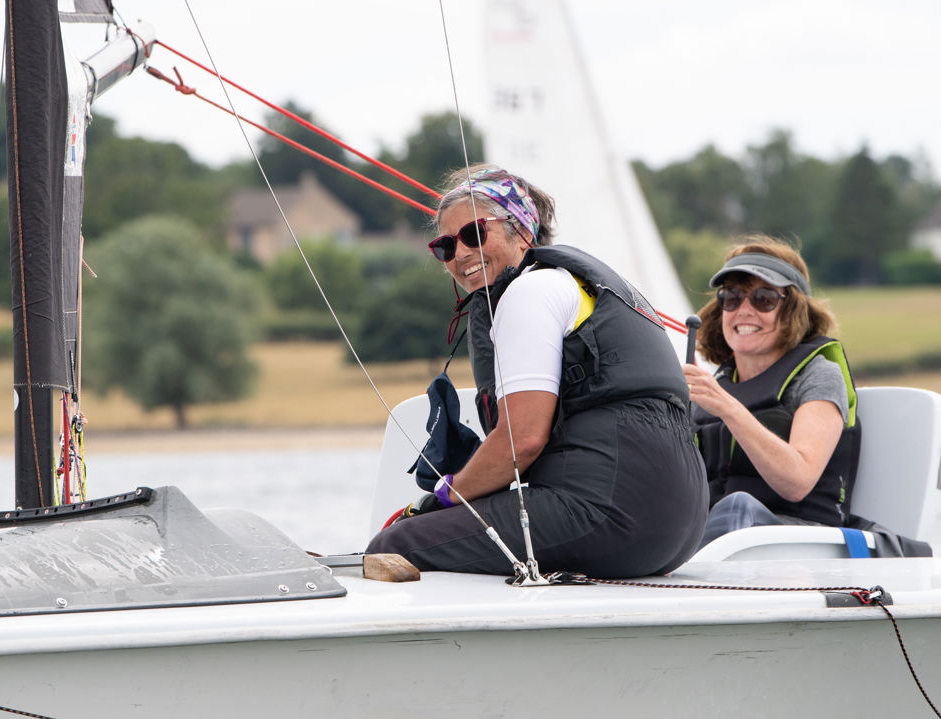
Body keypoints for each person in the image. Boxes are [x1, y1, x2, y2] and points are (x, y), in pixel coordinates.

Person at [366, 165, 707, 577]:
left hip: (610, 513)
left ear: (523, 232)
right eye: (444, 246)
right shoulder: (579, 286)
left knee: (396, 542)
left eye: (474, 233)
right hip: (680, 529)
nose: (460, 254)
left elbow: (522, 441)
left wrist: (445, 495)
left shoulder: (530, 290)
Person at [683, 235, 860, 546]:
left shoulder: (819, 375)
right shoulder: (718, 383)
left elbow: (797, 482)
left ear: (792, 310)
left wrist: (728, 407)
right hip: (720, 542)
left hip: (800, 541)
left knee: (738, 508)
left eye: (763, 299)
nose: (744, 311)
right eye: (732, 298)